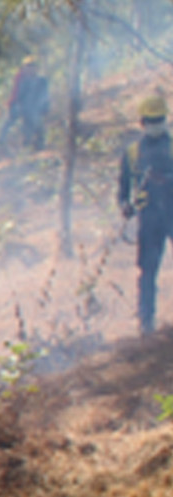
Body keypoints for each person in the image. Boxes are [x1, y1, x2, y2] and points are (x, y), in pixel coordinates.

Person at [120, 96, 173, 334]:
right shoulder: (132, 153)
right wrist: (124, 204)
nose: (156, 124)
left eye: (160, 120)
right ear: (142, 122)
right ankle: (146, 322)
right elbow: (123, 187)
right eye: (152, 120)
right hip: (149, 220)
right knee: (148, 269)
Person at [1, 57, 49, 152]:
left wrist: (44, 107)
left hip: (35, 109)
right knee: (12, 123)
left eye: (32, 66)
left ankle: (37, 147)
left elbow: (45, 96)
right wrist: (16, 107)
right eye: (28, 66)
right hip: (23, 108)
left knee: (38, 127)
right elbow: (16, 95)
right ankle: (4, 142)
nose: (30, 69)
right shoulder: (21, 80)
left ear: (36, 68)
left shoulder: (42, 81)